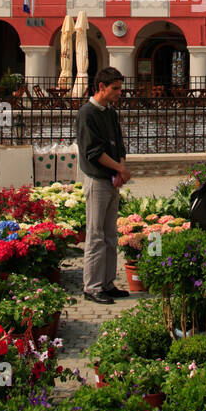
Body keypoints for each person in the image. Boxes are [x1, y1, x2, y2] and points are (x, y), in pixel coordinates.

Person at [77, 66, 131, 304]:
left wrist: (120, 167)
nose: (119, 93)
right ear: (101, 87)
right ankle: (92, 286)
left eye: (120, 88)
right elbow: (93, 152)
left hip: (112, 179)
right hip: (97, 179)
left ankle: (108, 282)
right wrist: (119, 169)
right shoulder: (87, 113)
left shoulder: (110, 112)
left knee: (110, 234)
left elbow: (118, 143)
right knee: (96, 235)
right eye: (115, 89)